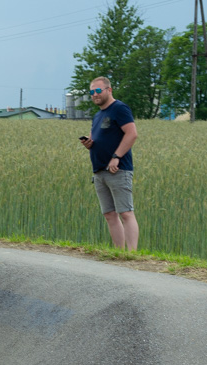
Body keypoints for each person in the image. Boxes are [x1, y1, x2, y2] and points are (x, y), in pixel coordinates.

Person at [80, 76, 139, 251]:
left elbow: (132, 133)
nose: (94, 95)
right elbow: (96, 138)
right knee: (109, 214)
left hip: (117, 170)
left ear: (109, 90)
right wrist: (89, 144)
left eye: (98, 90)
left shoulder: (119, 108)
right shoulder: (98, 115)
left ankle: (132, 254)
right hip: (99, 170)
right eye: (91, 92)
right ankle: (119, 252)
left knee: (126, 212)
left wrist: (116, 156)